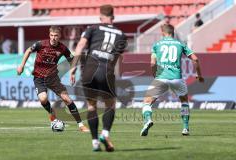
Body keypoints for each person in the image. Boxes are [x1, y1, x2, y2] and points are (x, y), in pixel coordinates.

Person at [70, 5, 127, 152]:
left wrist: (73, 67)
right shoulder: (121, 34)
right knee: (110, 105)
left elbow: (81, 45)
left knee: (91, 106)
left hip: (89, 70)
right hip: (105, 70)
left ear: (100, 17)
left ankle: (95, 142)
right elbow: (116, 58)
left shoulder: (92, 28)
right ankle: (105, 134)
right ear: (113, 17)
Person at [17, 26, 89, 133]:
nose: (53, 38)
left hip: (53, 78)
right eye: (51, 35)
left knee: (67, 99)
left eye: (56, 36)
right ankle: (53, 114)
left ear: (59, 36)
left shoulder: (63, 48)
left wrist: (72, 73)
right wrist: (21, 65)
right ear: (49, 35)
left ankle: (81, 125)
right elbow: (28, 50)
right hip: (39, 77)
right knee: (43, 99)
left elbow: (72, 60)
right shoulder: (41, 44)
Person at [140, 24, 204, 137]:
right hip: (177, 79)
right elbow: (196, 59)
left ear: (162, 33)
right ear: (173, 32)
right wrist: (199, 75)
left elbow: (153, 63)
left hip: (161, 78)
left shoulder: (156, 45)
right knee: (184, 102)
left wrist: (155, 74)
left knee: (147, 102)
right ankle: (185, 128)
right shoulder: (180, 44)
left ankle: (148, 120)